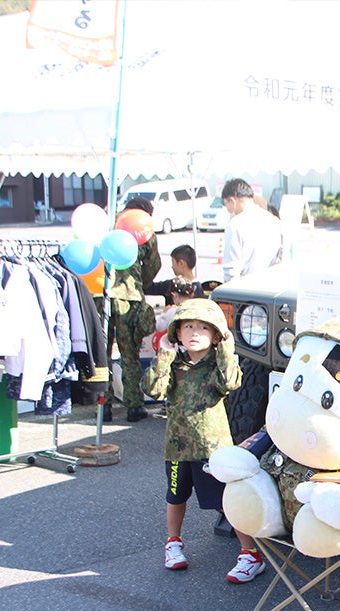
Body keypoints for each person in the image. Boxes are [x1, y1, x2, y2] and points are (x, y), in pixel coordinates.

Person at [140, 298, 265, 578]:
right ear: (177, 332)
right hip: (177, 448)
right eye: (188, 327)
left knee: (227, 501)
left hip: (212, 448)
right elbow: (153, 389)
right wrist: (164, 353)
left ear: (216, 335)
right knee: (175, 496)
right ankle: (173, 543)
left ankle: (251, 555)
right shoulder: (174, 364)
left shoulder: (217, 365)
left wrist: (227, 349)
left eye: (203, 327)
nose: (194, 333)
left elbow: (231, 382)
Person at [106, 196, 162, 423]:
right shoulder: (143, 229)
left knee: (102, 353)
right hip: (128, 297)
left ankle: (103, 405)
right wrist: (140, 282)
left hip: (101, 294)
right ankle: (134, 406)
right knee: (129, 353)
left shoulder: (108, 226)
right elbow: (153, 265)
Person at [220, 179, 282, 284]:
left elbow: (230, 271)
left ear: (232, 201)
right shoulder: (273, 220)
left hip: (246, 288)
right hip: (271, 286)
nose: (227, 209)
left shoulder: (235, 225)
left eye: (226, 203)